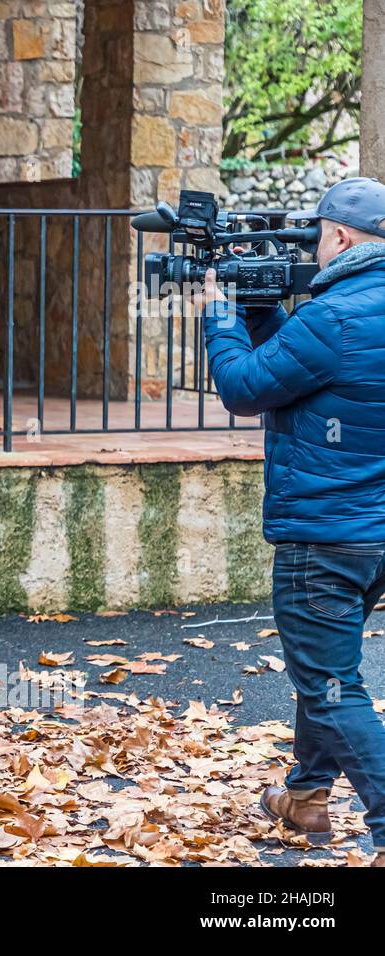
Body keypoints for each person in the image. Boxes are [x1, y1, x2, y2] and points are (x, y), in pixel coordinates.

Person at [200, 177, 385, 866]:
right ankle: (305, 797)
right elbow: (300, 370)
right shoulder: (336, 317)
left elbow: (247, 389)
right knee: (327, 671)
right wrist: (261, 315)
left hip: (325, 536)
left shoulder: (331, 317)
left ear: (339, 236)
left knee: (334, 687)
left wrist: (219, 315)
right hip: (374, 536)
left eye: (317, 234)